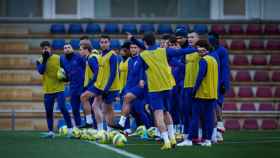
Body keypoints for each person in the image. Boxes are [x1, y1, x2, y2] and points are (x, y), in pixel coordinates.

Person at [137, 32, 197, 150]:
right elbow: (180, 52)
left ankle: (166, 141)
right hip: (168, 87)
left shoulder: (143, 55)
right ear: (155, 41)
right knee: (166, 112)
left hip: (155, 89)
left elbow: (140, 68)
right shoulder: (163, 51)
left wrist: (141, 79)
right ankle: (172, 137)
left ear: (145, 43)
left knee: (158, 114)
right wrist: (195, 50)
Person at [180, 40, 219, 147]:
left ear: (204, 49)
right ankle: (207, 140)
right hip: (212, 94)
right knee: (208, 118)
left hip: (202, 93)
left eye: (200, 50)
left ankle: (189, 139)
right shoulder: (213, 60)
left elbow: (200, 77)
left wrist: (194, 90)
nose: (199, 52)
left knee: (195, 117)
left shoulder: (203, 61)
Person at [36, 41, 73, 138]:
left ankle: (70, 130)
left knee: (63, 108)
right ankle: (51, 132)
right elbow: (41, 71)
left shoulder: (58, 58)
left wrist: (66, 77)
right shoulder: (39, 60)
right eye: (43, 48)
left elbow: (65, 69)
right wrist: (44, 59)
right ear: (41, 50)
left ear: (50, 48)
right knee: (48, 111)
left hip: (59, 88)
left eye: (47, 48)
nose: (45, 50)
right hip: (48, 90)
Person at [91, 35, 120, 132]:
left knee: (108, 108)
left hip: (110, 87)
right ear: (99, 43)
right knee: (96, 105)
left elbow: (113, 74)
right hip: (100, 86)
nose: (104, 44)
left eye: (106, 42)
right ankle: (101, 129)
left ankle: (110, 130)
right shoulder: (100, 55)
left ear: (109, 43)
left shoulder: (112, 55)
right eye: (102, 42)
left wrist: (107, 88)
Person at [208, 32, 230, 142]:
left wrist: (223, 84)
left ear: (217, 39)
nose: (210, 40)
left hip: (219, 82)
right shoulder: (209, 50)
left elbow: (225, 68)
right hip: (210, 81)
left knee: (217, 105)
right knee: (212, 107)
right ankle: (216, 131)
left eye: (211, 38)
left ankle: (219, 130)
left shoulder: (222, 51)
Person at [60, 43, 85, 127]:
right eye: (65, 48)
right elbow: (65, 73)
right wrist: (64, 78)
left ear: (72, 49)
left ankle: (92, 127)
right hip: (72, 88)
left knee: (87, 108)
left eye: (68, 47)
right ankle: (78, 127)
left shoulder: (79, 57)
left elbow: (86, 69)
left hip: (83, 86)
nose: (67, 49)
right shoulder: (62, 59)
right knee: (74, 109)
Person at [79, 43, 100, 128]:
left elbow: (97, 71)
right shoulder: (90, 58)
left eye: (81, 49)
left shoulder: (91, 58)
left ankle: (89, 121)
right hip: (97, 84)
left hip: (97, 84)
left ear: (86, 50)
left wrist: (90, 83)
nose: (80, 51)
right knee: (97, 106)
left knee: (84, 98)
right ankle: (96, 127)